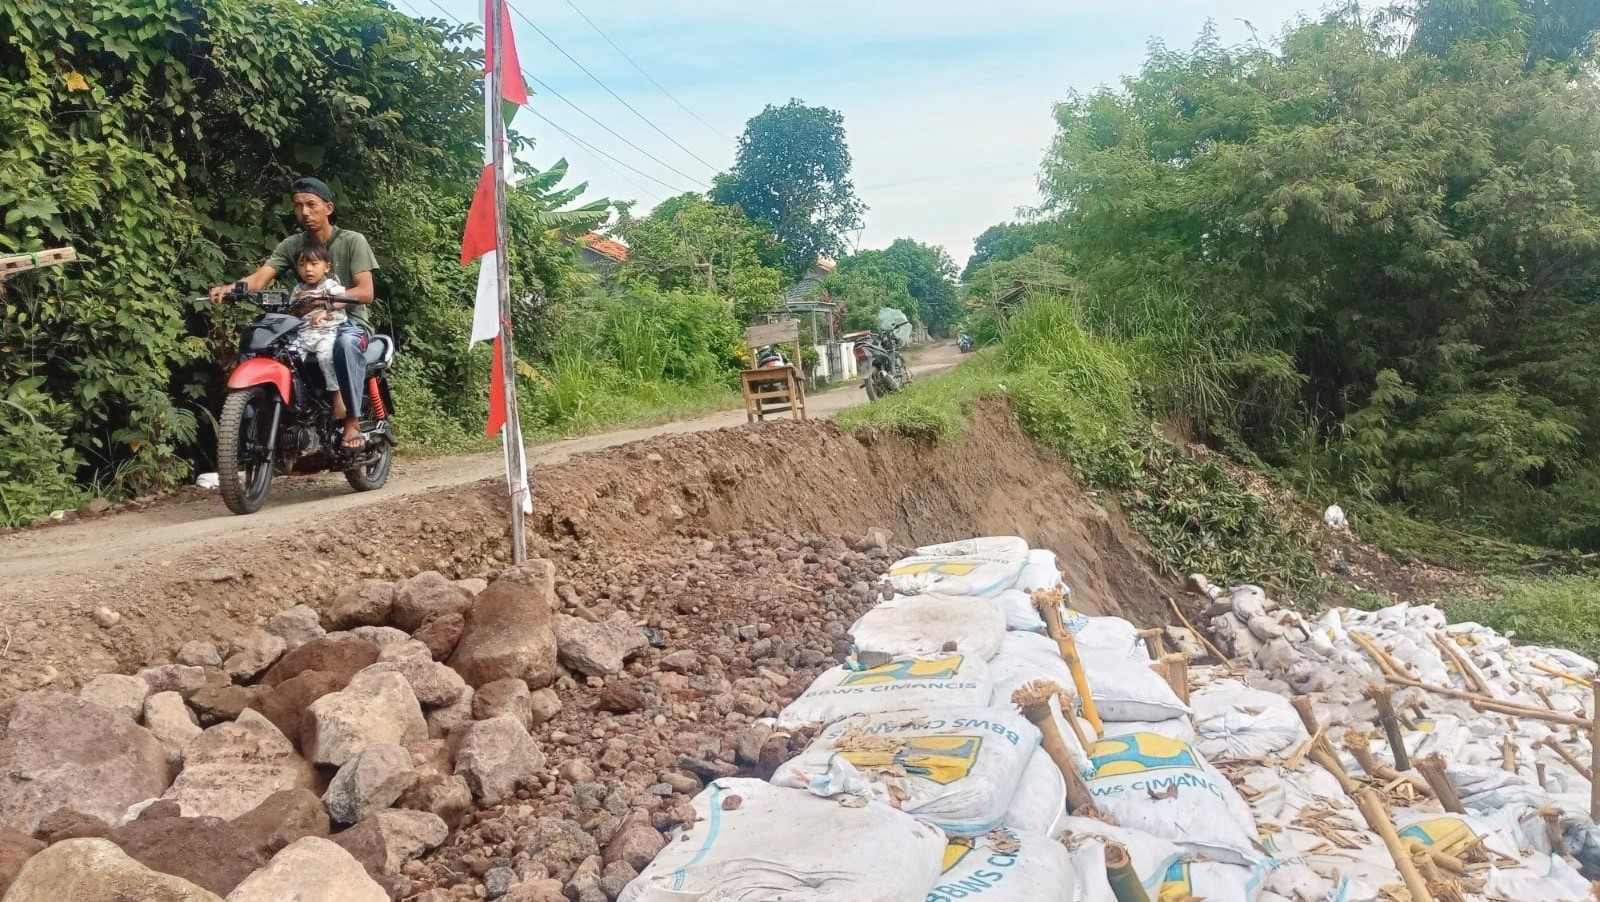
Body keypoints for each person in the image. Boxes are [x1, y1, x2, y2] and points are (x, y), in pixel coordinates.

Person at [211, 176, 378, 449]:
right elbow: (261, 277)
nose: (305, 212)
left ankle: (351, 422)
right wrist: (230, 288)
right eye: (298, 206)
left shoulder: (352, 241)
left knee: (345, 346)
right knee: (259, 342)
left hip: (349, 323)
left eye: (311, 205)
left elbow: (366, 292)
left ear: (328, 208)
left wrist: (327, 300)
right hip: (306, 322)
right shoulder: (292, 245)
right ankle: (255, 431)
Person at [287, 243, 350, 430]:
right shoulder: (298, 289)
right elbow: (293, 311)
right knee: (290, 359)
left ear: (327, 267)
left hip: (326, 332)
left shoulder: (331, 285)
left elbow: (342, 299)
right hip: (304, 334)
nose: (308, 269)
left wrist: (325, 309)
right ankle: (299, 399)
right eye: (302, 264)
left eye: (314, 263)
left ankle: (337, 398)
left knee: (325, 357)